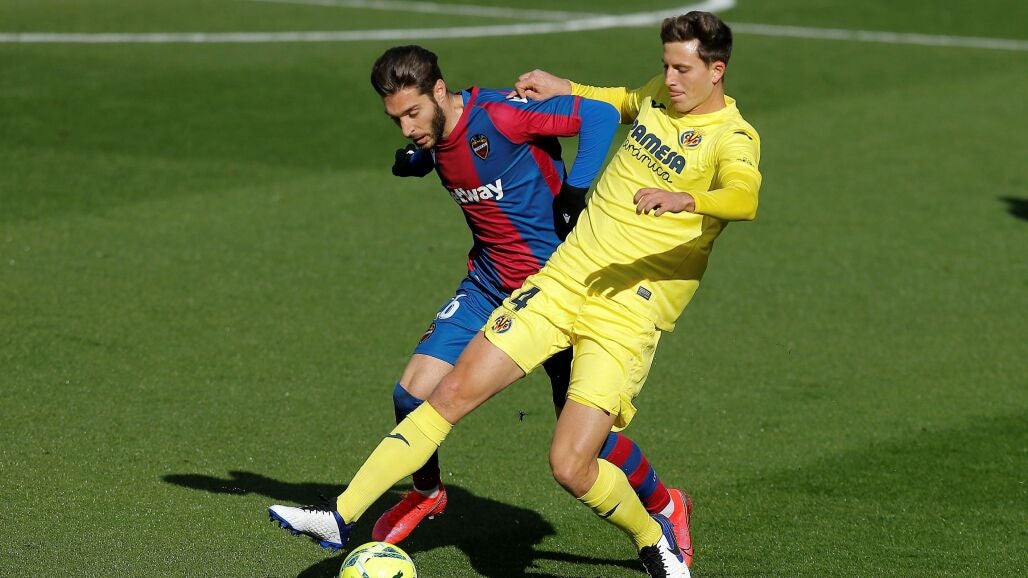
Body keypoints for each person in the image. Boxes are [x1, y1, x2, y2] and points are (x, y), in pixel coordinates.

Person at [273, 9, 760, 574]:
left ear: (716, 70)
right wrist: (565, 85)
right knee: (446, 393)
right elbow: (622, 101)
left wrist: (685, 199)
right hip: (559, 280)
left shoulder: (733, 138)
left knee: (574, 461)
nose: (669, 79)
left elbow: (744, 197)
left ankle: (657, 528)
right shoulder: (659, 95)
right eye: (666, 66)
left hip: (627, 308)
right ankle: (341, 515)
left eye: (682, 69)